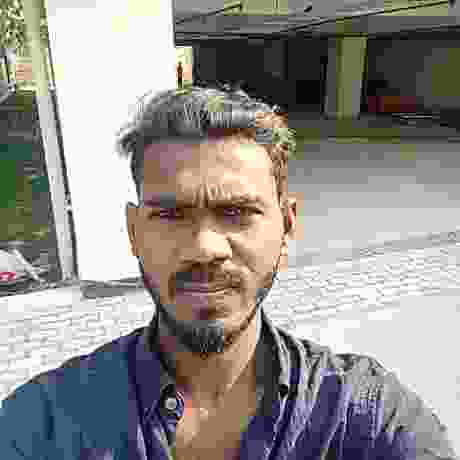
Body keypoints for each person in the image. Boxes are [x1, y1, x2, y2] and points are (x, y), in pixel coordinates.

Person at [0, 86, 458, 460]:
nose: (205, 249)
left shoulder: (365, 414)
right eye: (170, 215)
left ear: (286, 226)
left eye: (237, 212)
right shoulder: (44, 423)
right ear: (134, 232)